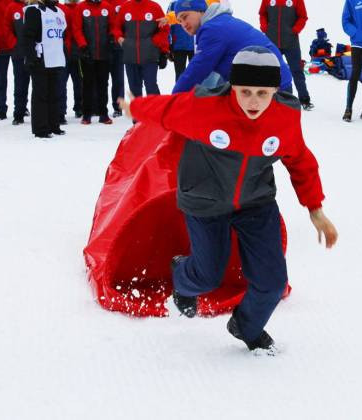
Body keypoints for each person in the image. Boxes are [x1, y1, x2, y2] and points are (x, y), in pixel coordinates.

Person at [119, 46, 338, 353]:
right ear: (232, 86)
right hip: (205, 201)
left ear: (275, 90)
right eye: (245, 91)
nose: (253, 101)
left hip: (255, 201)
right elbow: (166, 110)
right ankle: (182, 274)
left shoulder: (284, 116)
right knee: (207, 275)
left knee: (272, 283)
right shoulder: (206, 108)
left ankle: (245, 326)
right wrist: (136, 108)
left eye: (262, 93)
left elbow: (300, 160)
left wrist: (315, 209)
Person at [172, 0, 293, 94]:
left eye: (185, 16)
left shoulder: (213, 28)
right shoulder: (220, 22)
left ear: (200, 11)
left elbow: (198, 69)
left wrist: (173, 99)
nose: (183, 24)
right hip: (269, 84)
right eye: (179, 21)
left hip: (271, 91)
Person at [22, 0, 66, 138]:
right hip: (40, 59)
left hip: (56, 58)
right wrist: (30, 57)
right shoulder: (34, 10)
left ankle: (54, 125)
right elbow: (28, 36)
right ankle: (41, 128)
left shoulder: (59, 11)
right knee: (41, 94)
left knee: (55, 93)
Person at [259, 0, 314, 110]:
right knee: (271, 71)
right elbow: (262, 13)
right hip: (272, 42)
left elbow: (303, 17)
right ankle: (269, 99)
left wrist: (295, 30)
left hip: (291, 42)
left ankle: (304, 100)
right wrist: (265, 27)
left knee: (297, 71)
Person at [113, 0, 170, 98]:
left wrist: (158, 45)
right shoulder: (125, 7)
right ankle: (138, 112)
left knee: (151, 86)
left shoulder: (154, 7)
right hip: (130, 56)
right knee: (134, 88)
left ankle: (156, 111)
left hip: (150, 56)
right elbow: (116, 27)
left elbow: (164, 29)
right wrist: (119, 38)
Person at [73, 0, 114, 124]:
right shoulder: (81, 7)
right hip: (87, 53)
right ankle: (86, 114)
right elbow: (77, 29)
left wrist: (112, 37)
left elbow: (113, 26)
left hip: (103, 53)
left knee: (103, 84)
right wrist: (83, 45)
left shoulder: (107, 7)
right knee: (87, 84)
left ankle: (103, 113)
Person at [5, 0, 31, 126]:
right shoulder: (12, 7)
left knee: (40, 86)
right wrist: (14, 45)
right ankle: (19, 113)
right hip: (19, 53)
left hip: (35, 54)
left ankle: (40, 113)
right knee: (20, 84)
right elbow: (7, 28)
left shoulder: (35, 5)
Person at [167, 0, 195, 81]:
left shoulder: (198, 2)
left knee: (196, 75)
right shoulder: (173, 4)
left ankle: (195, 93)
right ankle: (180, 93)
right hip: (178, 46)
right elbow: (168, 25)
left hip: (195, 46)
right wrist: (169, 45)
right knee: (180, 76)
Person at [108, 0, 126, 117]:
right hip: (103, 47)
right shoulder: (101, 3)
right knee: (100, 79)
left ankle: (118, 107)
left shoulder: (124, 3)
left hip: (119, 47)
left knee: (118, 79)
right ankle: (98, 107)